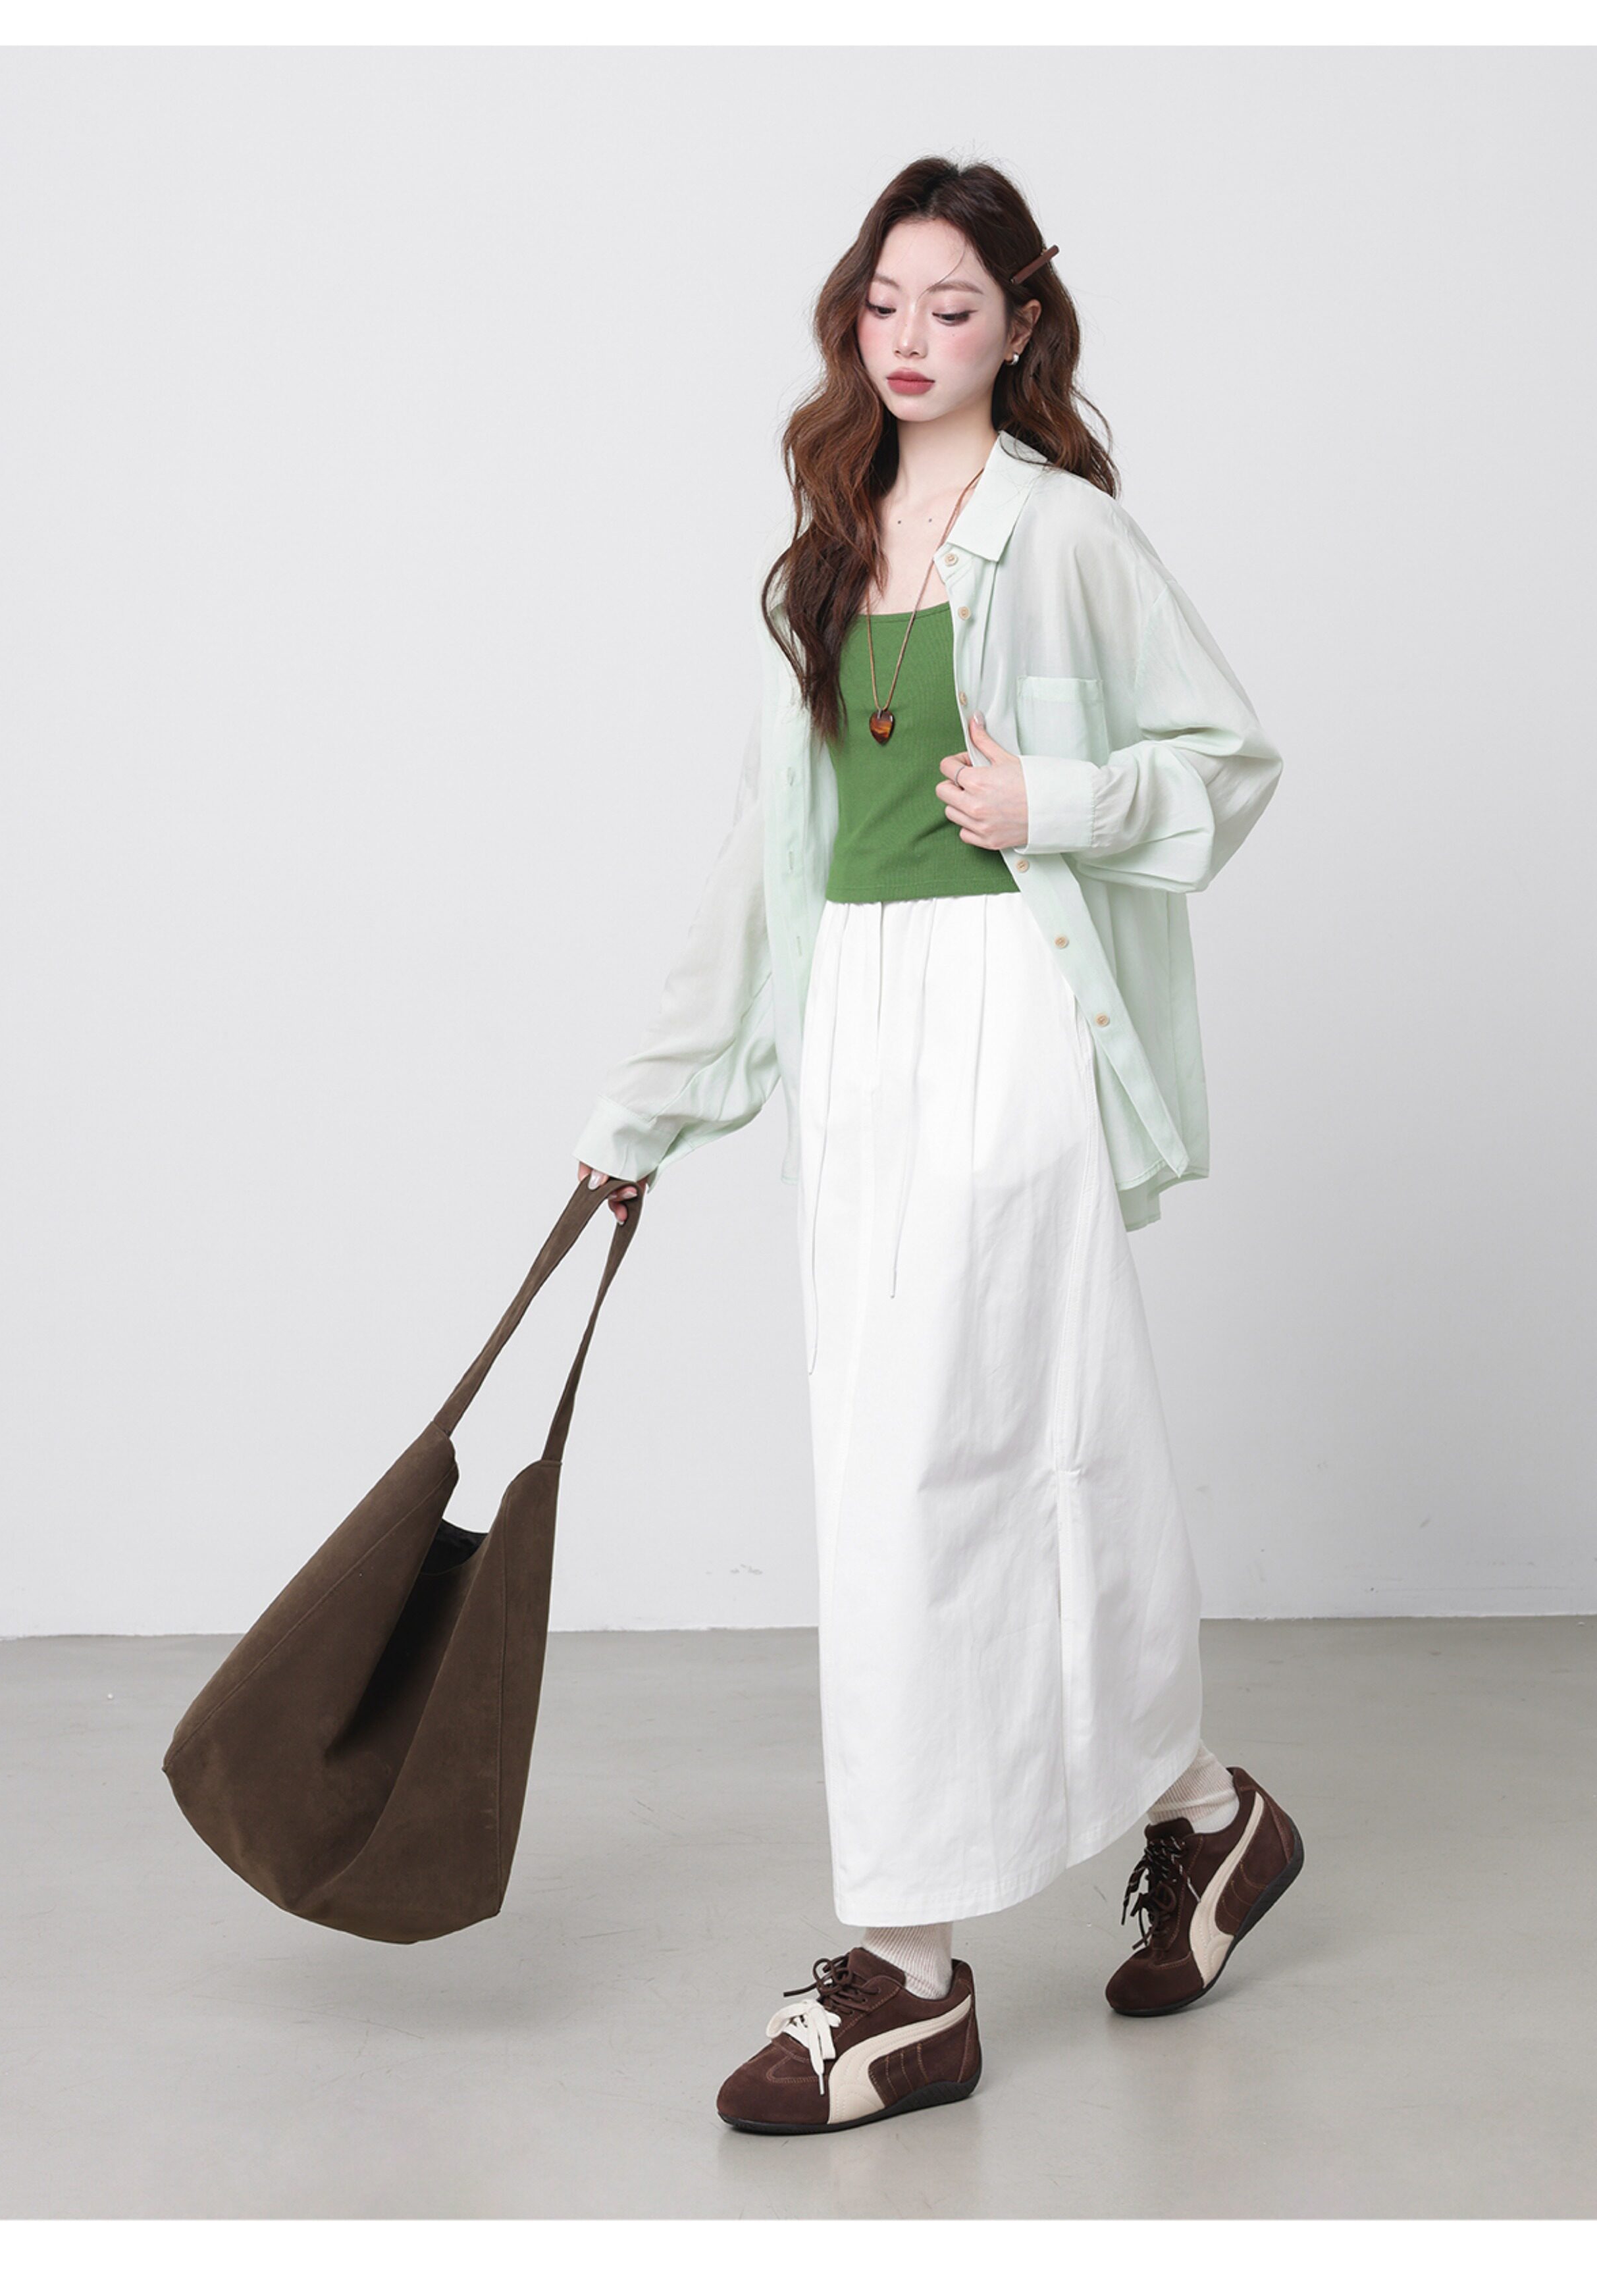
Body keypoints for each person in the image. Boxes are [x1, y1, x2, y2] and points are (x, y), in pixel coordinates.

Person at [573, 155, 1302, 2137]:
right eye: (883, 303)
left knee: (926, 1469)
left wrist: (1057, 800)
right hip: (863, 1043)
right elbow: (765, 859)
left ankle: (905, 1974)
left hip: (1013, 1023)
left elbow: (1227, 758)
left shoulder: (1065, 536)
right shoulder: (824, 547)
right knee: (1002, 1452)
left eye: (952, 307)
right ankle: (1205, 1812)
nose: (909, 339)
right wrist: (646, 1108)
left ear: (1019, 327)